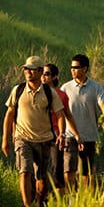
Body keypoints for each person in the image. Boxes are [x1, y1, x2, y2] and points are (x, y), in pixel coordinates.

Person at [2, 56, 84, 207]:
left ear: (40, 72)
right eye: (26, 69)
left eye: (32, 69)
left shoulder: (50, 93)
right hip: (22, 138)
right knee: (24, 171)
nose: (28, 72)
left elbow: (61, 115)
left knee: (41, 178)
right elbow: (9, 114)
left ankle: (39, 204)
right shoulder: (18, 90)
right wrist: (5, 139)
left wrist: (61, 133)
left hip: (44, 139)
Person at [61, 53, 104, 190]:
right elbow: (59, 111)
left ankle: (85, 199)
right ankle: (70, 198)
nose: (73, 70)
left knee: (86, 171)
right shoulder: (65, 88)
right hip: (69, 134)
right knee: (68, 169)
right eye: (71, 67)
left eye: (76, 67)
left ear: (85, 68)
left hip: (89, 135)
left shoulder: (96, 87)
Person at [41, 63, 72, 196]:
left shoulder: (61, 95)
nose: (43, 76)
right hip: (39, 135)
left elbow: (66, 116)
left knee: (57, 171)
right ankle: (39, 203)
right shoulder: (36, 93)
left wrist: (66, 134)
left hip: (55, 136)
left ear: (54, 77)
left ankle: (60, 204)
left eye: (46, 74)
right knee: (40, 172)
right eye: (41, 73)